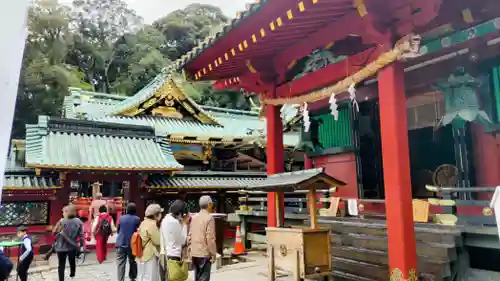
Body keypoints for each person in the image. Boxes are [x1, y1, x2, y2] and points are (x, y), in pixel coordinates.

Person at [188, 196, 216, 281]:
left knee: (197, 277)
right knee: (204, 278)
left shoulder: (194, 217)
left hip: (194, 252)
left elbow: (190, 235)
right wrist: (213, 253)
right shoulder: (209, 218)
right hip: (204, 253)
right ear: (209, 205)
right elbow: (210, 238)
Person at [160, 200, 189, 281]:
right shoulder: (174, 223)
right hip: (173, 256)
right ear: (180, 212)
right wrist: (185, 224)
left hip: (164, 254)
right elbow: (182, 241)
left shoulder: (165, 219)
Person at [54, 204, 84, 281]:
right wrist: (81, 246)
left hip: (61, 247)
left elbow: (53, 232)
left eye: (63, 212)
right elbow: (81, 235)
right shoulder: (78, 221)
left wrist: (58, 226)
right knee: (72, 261)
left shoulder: (61, 221)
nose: (63, 213)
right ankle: (72, 275)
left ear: (67, 212)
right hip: (72, 246)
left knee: (61, 265)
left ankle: (61, 279)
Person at [137, 204, 163, 281]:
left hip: (141, 253)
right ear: (156, 215)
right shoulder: (152, 224)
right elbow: (157, 241)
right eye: (160, 213)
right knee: (151, 276)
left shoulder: (143, 222)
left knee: (142, 275)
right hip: (150, 254)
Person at [116, 203, 140, 281]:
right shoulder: (137, 219)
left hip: (120, 243)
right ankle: (132, 277)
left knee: (120, 263)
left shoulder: (121, 218)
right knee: (132, 261)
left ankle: (120, 279)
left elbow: (118, 230)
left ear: (127, 210)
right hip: (131, 244)